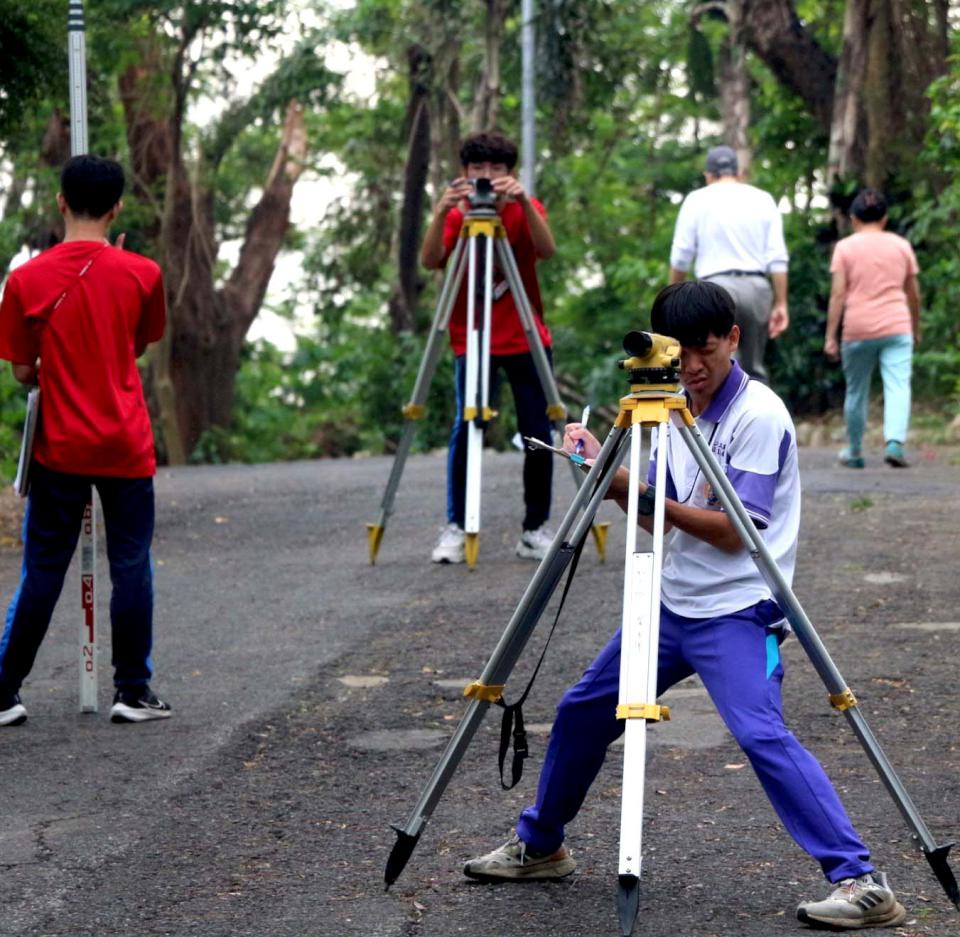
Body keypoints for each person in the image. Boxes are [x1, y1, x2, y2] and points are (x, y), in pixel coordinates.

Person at [463, 281, 907, 930]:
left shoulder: (759, 415)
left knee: (760, 731)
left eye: (706, 349)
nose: (694, 366)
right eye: (682, 353)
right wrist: (607, 475)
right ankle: (541, 843)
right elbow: (661, 520)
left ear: (733, 337)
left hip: (740, 609)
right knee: (582, 711)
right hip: (671, 606)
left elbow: (732, 529)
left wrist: (624, 486)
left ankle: (860, 879)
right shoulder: (671, 408)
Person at [0, 154, 172, 727]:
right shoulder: (142, 273)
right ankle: (133, 690)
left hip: (60, 447)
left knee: (44, 567)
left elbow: (24, 372)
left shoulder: (25, 280)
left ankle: (5, 691)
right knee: (131, 562)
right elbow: (138, 345)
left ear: (60, 203)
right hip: (125, 441)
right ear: (117, 205)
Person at [421, 131, 558, 564]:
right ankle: (457, 526)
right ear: (464, 173)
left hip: (524, 334)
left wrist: (521, 203)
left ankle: (535, 528)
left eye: (496, 170)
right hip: (472, 336)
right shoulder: (457, 213)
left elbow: (547, 250)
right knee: (468, 426)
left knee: (538, 431)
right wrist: (441, 212)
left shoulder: (524, 208)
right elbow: (430, 260)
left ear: (510, 174)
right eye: (477, 170)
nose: (486, 178)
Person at [668, 145, 789, 382]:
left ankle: (719, 418)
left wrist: (672, 301)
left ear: (708, 175)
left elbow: (681, 255)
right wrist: (781, 302)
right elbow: (777, 256)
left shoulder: (696, 200)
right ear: (738, 172)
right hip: (757, 288)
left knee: (715, 364)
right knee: (754, 369)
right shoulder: (763, 199)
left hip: (714, 289)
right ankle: (757, 416)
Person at [825, 189, 921, 468]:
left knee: (856, 390)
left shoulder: (845, 248)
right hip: (897, 325)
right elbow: (913, 293)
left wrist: (831, 336)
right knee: (898, 385)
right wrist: (915, 327)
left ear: (853, 218)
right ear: (885, 218)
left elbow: (838, 294)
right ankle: (894, 442)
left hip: (857, 328)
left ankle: (854, 451)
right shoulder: (901, 245)